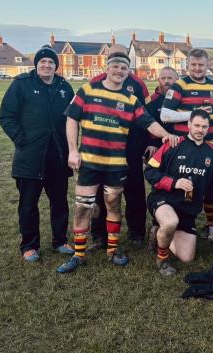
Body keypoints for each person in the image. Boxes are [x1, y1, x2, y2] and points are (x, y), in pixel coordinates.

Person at [56, 51, 178, 273]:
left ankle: (112, 250)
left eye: (124, 68)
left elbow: (149, 123)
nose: (119, 71)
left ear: (128, 71)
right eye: (115, 67)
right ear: (107, 67)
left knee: (113, 205)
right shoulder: (88, 90)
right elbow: (71, 119)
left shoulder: (131, 100)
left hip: (116, 164)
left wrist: (166, 136)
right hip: (89, 162)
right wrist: (73, 151)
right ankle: (79, 254)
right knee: (83, 207)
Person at [0, 45, 75, 261]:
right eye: (43, 62)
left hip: (58, 156)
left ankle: (60, 241)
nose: (47, 65)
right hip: (30, 157)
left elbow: (73, 118)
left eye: (51, 62)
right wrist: (21, 140)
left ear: (55, 66)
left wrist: (72, 147)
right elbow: (6, 116)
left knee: (59, 201)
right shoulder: (21, 85)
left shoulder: (64, 87)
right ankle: (29, 245)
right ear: (37, 64)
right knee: (28, 204)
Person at [161, 48, 213, 243]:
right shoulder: (179, 86)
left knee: (212, 186)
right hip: (183, 148)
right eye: (193, 65)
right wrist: (194, 113)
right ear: (187, 65)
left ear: (208, 65)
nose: (197, 68)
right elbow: (165, 115)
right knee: (179, 186)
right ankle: (166, 226)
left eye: (201, 65)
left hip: (208, 147)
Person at [145, 110, 213, 275]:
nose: (200, 130)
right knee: (170, 222)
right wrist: (175, 183)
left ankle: (160, 233)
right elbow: (150, 172)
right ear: (188, 124)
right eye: (196, 125)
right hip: (164, 200)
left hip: (188, 208)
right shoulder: (173, 144)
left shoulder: (212, 153)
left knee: (187, 257)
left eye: (204, 126)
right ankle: (162, 259)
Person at [89, 46, 152, 250]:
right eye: (113, 59)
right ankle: (99, 234)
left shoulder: (138, 84)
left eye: (123, 58)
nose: (118, 65)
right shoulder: (94, 82)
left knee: (134, 192)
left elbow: (147, 116)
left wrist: (147, 144)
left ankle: (137, 233)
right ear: (107, 62)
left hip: (131, 148)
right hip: (102, 149)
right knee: (100, 194)